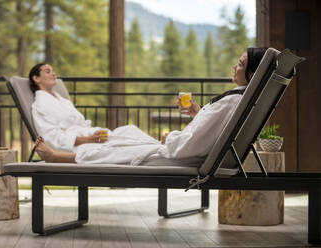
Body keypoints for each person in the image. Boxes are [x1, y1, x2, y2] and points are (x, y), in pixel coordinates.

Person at [34, 47, 268, 165]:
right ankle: (61, 154)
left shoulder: (231, 101)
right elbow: (205, 134)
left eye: (240, 64)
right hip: (182, 150)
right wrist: (196, 114)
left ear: (252, 73)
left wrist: (172, 138)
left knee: (114, 147)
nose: (234, 67)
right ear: (35, 79)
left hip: (179, 154)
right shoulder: (238, 100)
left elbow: (186, 147)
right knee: (126, 135)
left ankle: (56, 157)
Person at [30, 63, 159, 154]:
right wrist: (88, 139)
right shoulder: (41, 105)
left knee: (130, 130)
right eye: (48, 71)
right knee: (123, 145)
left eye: (53, 71)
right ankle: (160, 149)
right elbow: (52, 138)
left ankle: (160, 146)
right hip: (76, 147)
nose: (53, 74)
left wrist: (92, 135)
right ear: (36, 78)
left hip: (89, 138)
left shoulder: (60, 99)